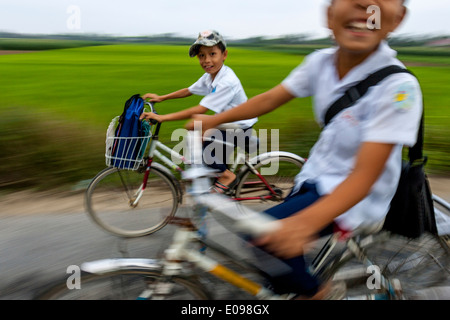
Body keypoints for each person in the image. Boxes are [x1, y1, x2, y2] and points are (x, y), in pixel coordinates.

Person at [189, 0, 422, 299]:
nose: (366, 4)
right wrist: (214, 120)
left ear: (397, 19)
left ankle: (319, 294)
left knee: (263, 239)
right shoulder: (321, 63)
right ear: (329, 14)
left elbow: (365, 177)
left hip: (355, 194)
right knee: (276, 265)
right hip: (317, 175)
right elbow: (271, 99)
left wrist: (304, 225)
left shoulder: (398, 88)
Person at [140, 30, 257, 193]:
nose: (207, 60)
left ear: (224, 54)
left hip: (240, 127)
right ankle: (213, 175)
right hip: (226, 122)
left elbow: (201, 109)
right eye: (201, 56)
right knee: (196, 130)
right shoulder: (211, 75)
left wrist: (163, 118)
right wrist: (162, 98)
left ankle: (227, 176)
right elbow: (189, 90)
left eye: (212, 54)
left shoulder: (227, 81)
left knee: (200, 141)